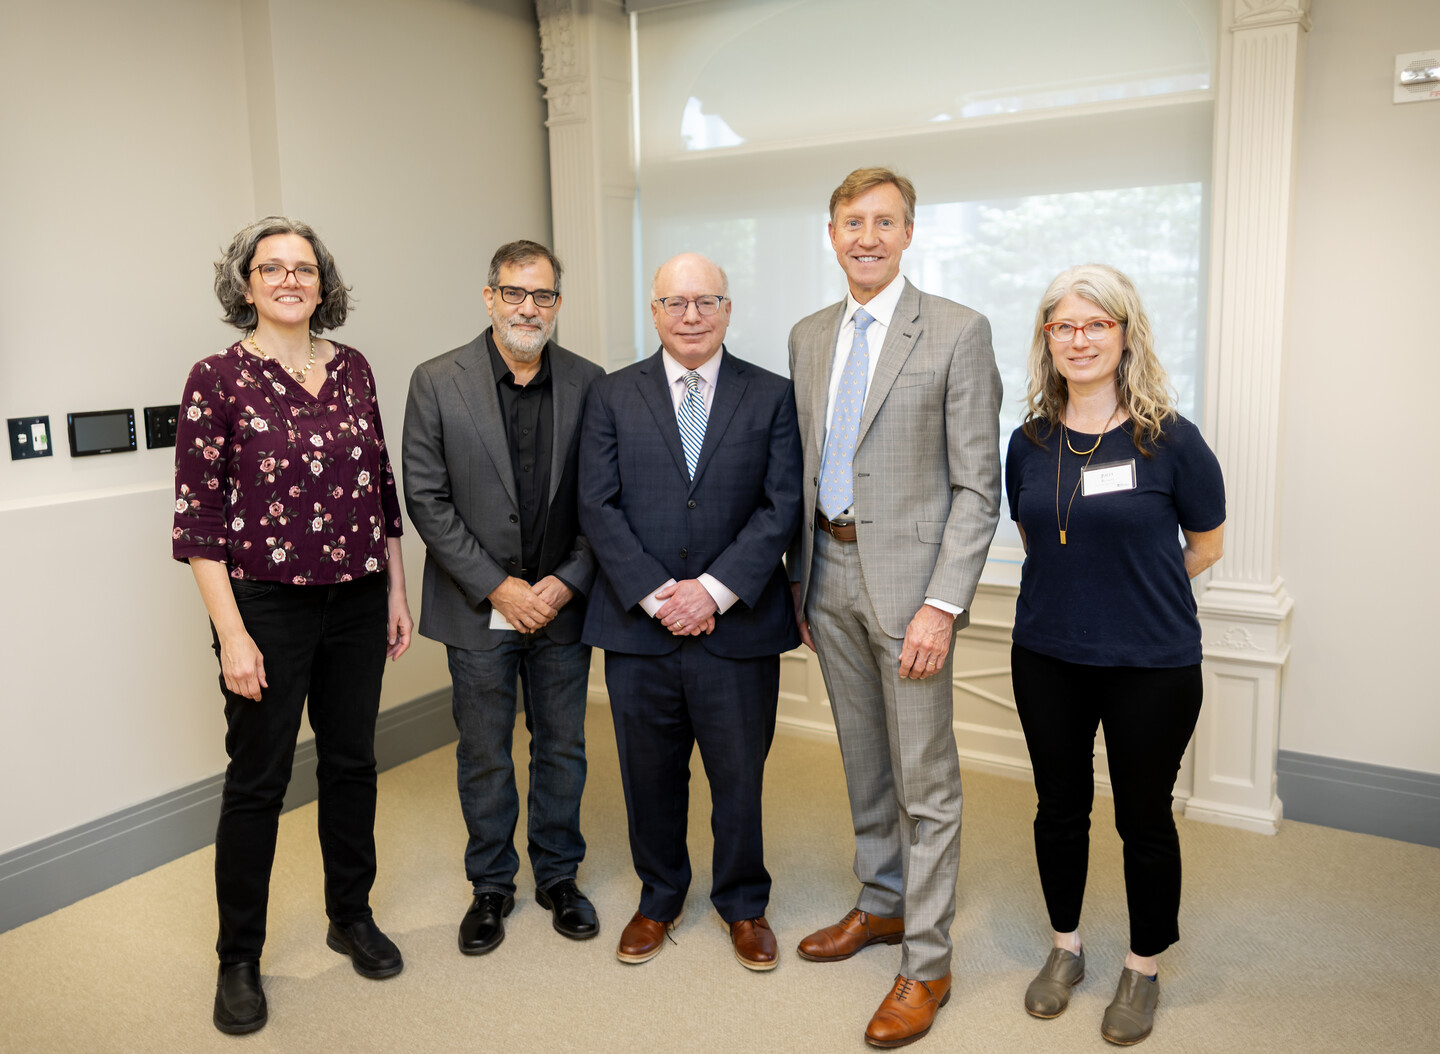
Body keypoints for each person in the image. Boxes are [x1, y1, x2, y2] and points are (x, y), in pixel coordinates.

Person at [173, 217, 413, 1035]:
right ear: (246, 285)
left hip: (355, 599)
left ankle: (351, 914)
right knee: (258, 782)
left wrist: (394, 592)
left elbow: (381, 491)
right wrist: (233, 634)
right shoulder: (216, 378)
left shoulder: (352, 369)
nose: (288, 280)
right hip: (264, 605)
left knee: (351, 765)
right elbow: (198, 522)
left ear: (322, 283)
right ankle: (238, 958)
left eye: (303, 268)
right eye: (270, 268)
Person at [788, 168, 1002, 1048]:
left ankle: (927, 961)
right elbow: (801, 466)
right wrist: (798, 580)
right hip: (827, 577)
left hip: (913, 594)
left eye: (884, 222)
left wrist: (941, 607)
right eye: (851, 222)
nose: (866, 237)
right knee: (865, 763)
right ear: (831, 233)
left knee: (928, 785)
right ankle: (879, 905)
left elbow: (977, 490)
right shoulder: (808, 336)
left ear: (909, 232)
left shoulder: (955, 330)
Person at [1005, 263, 1224, 1046]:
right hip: (1048, 656)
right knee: (1059, 810)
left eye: (1096, 323)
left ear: (1125, 334)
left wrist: (1132, 594)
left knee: (1143, 819)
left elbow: (1205, 547)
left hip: (1152, 663)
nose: (1079, 338)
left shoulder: (1172, 440)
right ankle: (1065, 949)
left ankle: (1142, 966)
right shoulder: (1028, 441)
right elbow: (1039, 541)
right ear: (1047, 339)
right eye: (1063, 325)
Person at [578, 252, 802, 972]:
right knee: (649, 775)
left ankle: (742, 904)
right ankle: (659, 896)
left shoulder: (772, 397)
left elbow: (781, 507)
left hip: (736, 628)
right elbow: (597, 505)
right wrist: (658, 596)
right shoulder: (611, 396)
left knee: (739, 774)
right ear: (654, 313)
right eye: (675, 303)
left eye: (706, 301)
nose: (691, 316)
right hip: (638, 628)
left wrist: (711, 591)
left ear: (728, 310)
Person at [401, 240, 604, 956]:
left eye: (542, 295)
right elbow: (425, 499)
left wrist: (565, 581)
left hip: (562, 605)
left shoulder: (590, 382)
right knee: (483, 752)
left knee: (563, 747)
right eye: (514, 293)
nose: (528, 307)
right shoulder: (436, 381)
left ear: (556, 304)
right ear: (489, 296)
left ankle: (558, 877)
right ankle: (491, 886)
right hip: (475, 605)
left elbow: (603, 502)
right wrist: (498, 587)